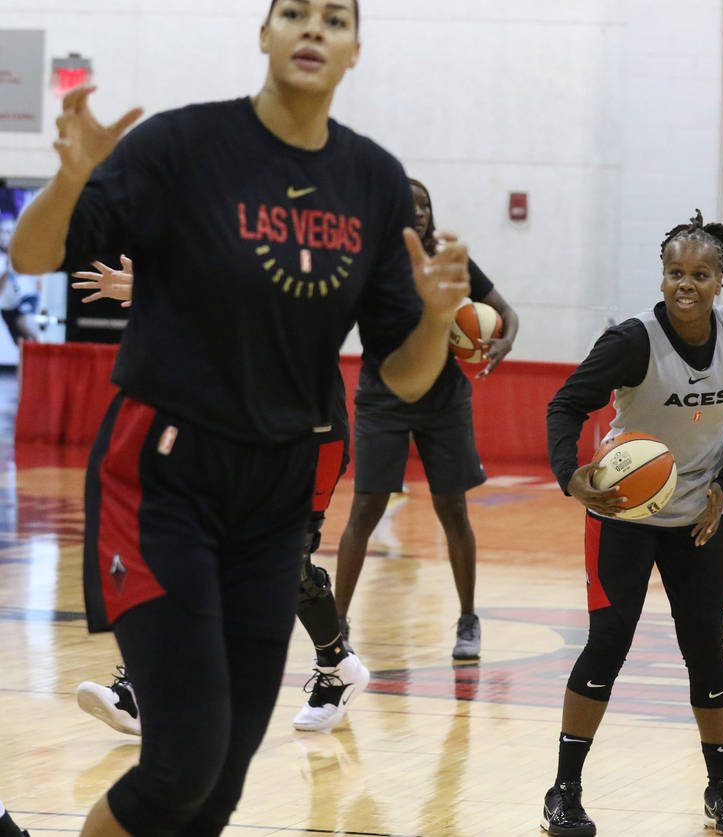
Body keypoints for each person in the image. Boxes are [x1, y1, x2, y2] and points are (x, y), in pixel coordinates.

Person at [9, 0, 470, 834]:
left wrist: (437, 321)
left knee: (218, 785)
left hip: (276, 493)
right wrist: (72, 177)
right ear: (264, 34)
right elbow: (33, 255)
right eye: (293, 11)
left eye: (335, 18)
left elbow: (403, 377)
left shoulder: (370, 180)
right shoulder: (184, 147)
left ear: (355, 49)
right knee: (181, 759)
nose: (312, 29)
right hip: (163, 476)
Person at [542, 210, 723, 837]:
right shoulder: (631, 340)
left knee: (706, 651)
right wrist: (571, 475)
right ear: (664, 274)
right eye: (675, 272)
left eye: (700, 274)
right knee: (607, 646)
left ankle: (721, 790)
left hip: (700, 517)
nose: (686, 284)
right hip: (624, 514)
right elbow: (565, 404)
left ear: (721, 279)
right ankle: (564, 791)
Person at [70, 258, 368, 735]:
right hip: (244, 430)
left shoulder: (306, 255)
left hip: (311, 436)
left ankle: (338, 667)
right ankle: (144, 691)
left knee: (288, 565)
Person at [333, 177, 519, 660]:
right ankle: (336, 624)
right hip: (381, 394)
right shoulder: (368, 262)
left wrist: (503, 339)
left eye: (425, 205)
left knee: (452, 511)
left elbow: (506, 313)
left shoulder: (448, 260)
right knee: (365, 510)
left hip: (444, 397)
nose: (418, 211)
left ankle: (468, 619)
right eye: (408, 204)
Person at [0, 215, 39, 346]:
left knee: (25, 323)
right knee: (20, 343)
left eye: (9, 232)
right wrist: (7, 271)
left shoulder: (23, 253)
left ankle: (42, 349)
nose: (6, 236)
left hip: (26, 297)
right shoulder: (2, 260)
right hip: (8, 307)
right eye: (3, 231)